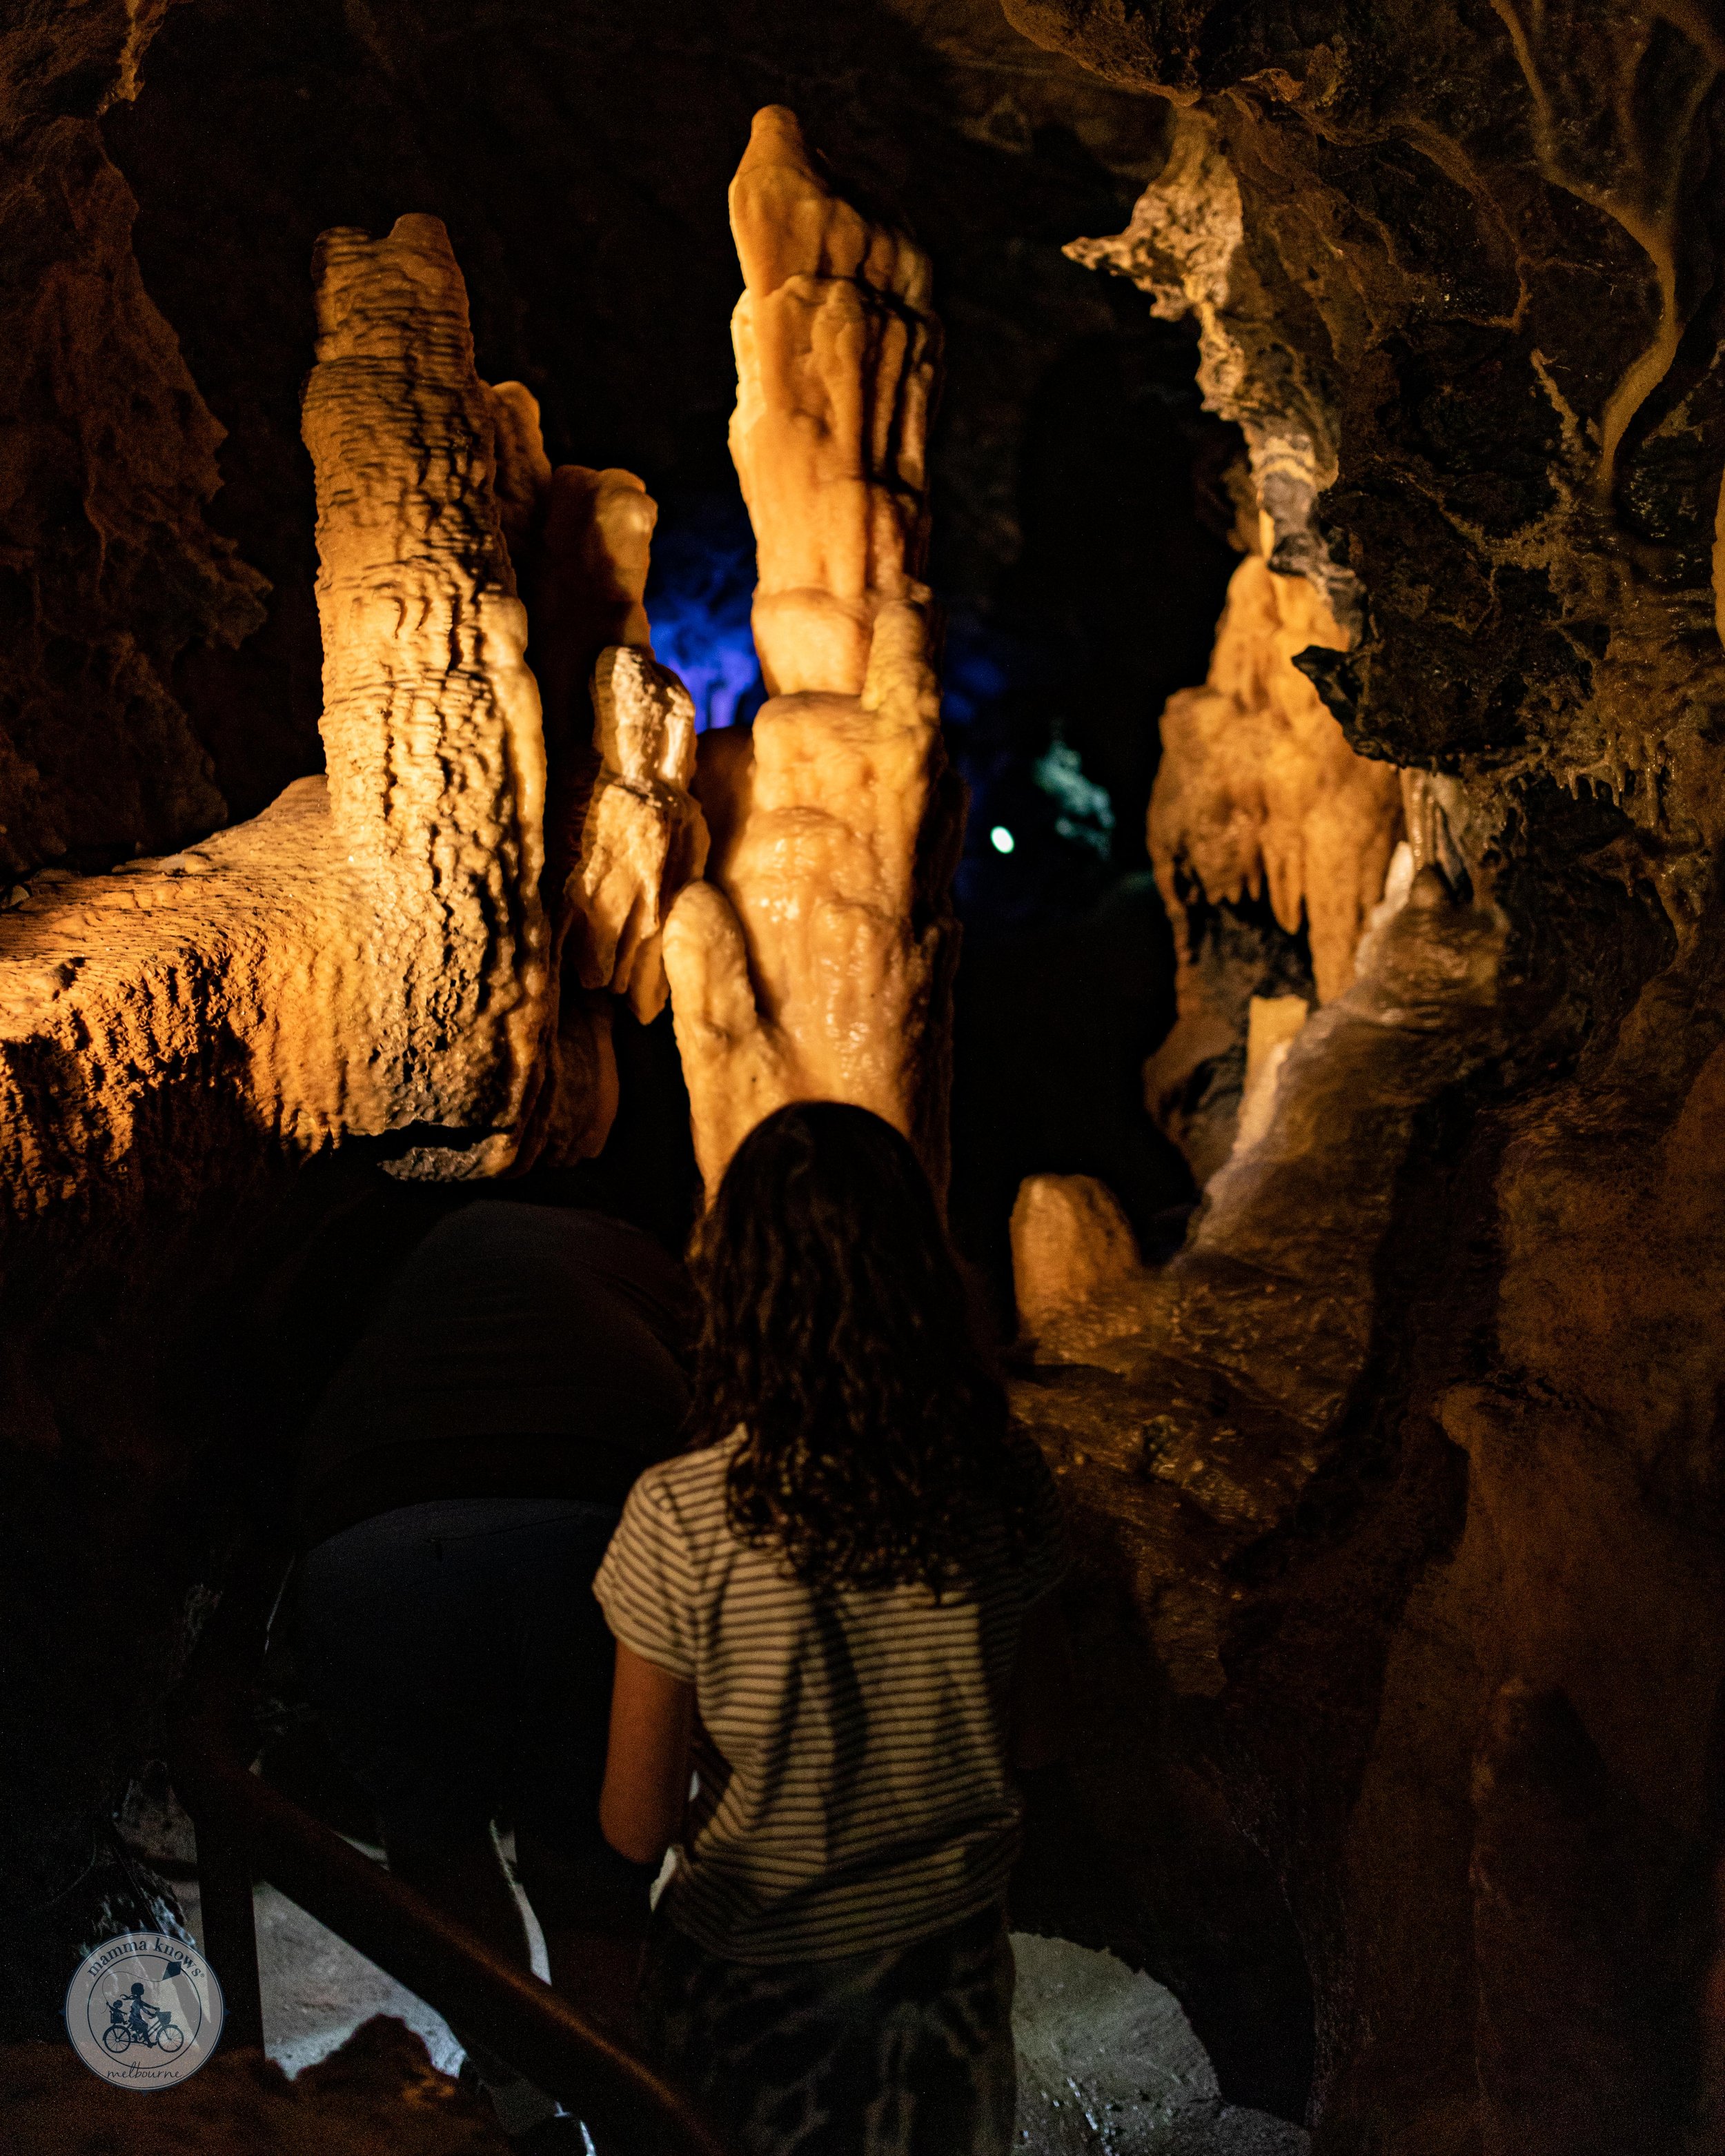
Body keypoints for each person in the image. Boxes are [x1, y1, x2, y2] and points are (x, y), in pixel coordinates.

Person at [592, 1101, 1072, 2156]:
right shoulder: (1004, 1479)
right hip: (948, 1974)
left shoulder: (683, 1513)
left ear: (742, 1288)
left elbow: (635, 1823)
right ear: (924, 1272)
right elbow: (1037, 1735)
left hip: (761, 1989)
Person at [293, 1196, 693, 2148]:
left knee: (434, 1832)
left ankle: (520, 2107)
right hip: (591, 1512)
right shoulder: (649, 1265)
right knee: (589, 1853)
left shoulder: (408, 1270)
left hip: (369, 1523)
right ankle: (626, 2117)